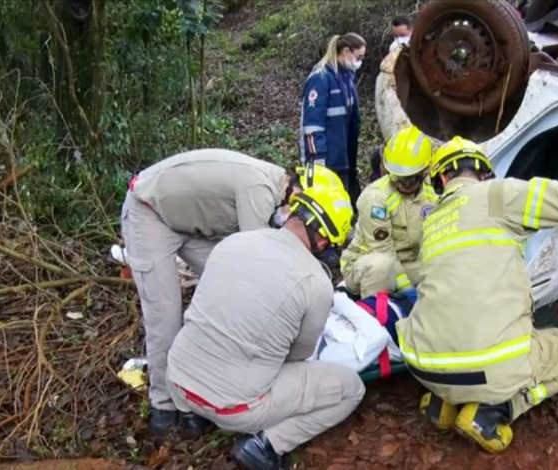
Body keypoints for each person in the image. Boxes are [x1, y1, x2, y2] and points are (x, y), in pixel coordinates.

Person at [396, 125, 558, 453]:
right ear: (484, 175)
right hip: (491, 371)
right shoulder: (499, 195)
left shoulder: (430, 223)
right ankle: (496, 411)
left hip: (424, 367)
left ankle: (445, 401)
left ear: (442, 181)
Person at [121, 149, 338, 437]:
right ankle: (165, 403)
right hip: (151, 214)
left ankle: (204, 386)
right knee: (165, 316)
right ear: (296, 192)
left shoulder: (272, 188)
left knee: (227, 282)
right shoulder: (259, 189)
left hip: (189, 224)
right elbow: (260, 264)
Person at [166, 183, 364, 470]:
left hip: (178, 378)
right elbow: (299, 355)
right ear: (324, 242)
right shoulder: (316, 283)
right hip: (233, 406)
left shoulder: (235, 242)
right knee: (351, 389)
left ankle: (191, 418)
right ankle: (266, 445)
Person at [340, 126, 437, 297]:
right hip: (368, 263)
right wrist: (407, 290)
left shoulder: (431, 192)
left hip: (409, 262)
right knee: (381, 266)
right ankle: (374, 316)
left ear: (425, 171)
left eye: (411, 178)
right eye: (397, 177)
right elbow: (383, 251)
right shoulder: (376, 199)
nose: (404, 184)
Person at [299, 33, 367, 208]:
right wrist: (317, 158)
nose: (360, 62)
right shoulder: (320, 78)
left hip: (342, 156)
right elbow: (312, 124)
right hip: (326, 157)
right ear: (345, 51)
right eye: (358, 57)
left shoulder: (346, 78)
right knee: (324, 204)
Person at [311, 287, 416, 374]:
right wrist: (339, 301)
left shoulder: (311, 329)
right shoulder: (328, 358)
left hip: (393, 300)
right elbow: (379, 337)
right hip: (409, 320)